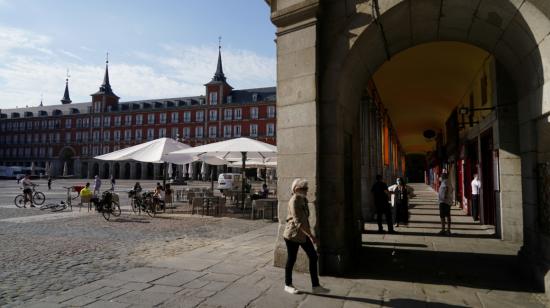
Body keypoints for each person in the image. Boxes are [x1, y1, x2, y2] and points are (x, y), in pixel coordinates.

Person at [282, 178, 329, 295]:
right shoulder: (294, 201)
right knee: (291, 259)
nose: (307, 190)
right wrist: (311, 236)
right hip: (292, 234)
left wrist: (308, 233)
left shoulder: (303, 199)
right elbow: (298, 221)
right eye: (304, 188)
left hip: (302, 234)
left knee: (313, 257)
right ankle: (288, 284)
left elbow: (305, 218)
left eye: (307, 188)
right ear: (296, 189)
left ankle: (316, 286)